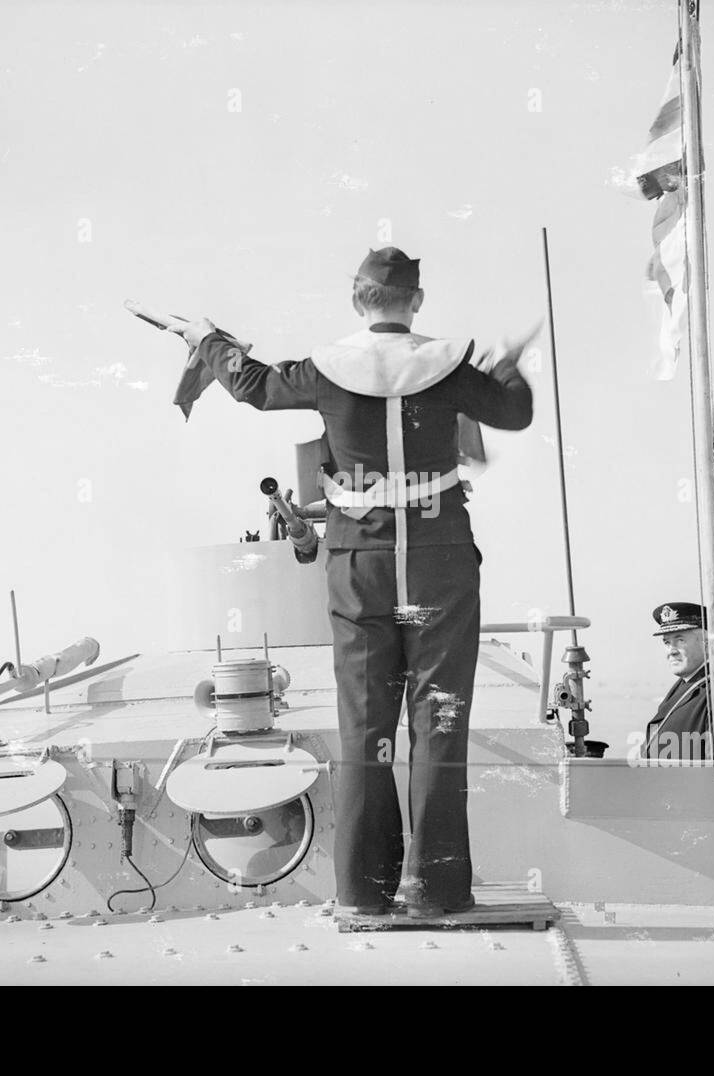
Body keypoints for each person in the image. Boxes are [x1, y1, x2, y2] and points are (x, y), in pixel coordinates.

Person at [169, 246, 535, 916]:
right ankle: (438, 890)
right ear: (415, 301)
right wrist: (505, 369)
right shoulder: (450, 363)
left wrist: (209, 340)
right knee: (441, 723)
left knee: (367, 726)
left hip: (358, 563)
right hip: (439, 560)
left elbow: (251, 385)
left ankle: (364, 893)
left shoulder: (325, 368)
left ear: (357, 300)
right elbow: (514, 413)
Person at [640, 602, 714, 762]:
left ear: (707, 643)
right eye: (667, 642)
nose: (671, 651)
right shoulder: (683, 686)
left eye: (680, 640)